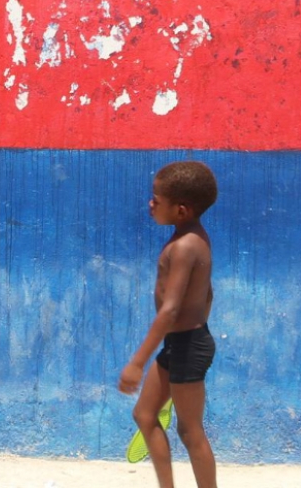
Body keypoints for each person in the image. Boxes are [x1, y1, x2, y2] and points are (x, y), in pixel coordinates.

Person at [118, 161, 218, 488]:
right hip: (181, 344)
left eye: (157, 199)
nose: (151, 203)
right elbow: (208, 294)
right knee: (145, 415)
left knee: (190, 431)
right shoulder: (187, 238)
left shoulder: (186, 245)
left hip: (188, 345)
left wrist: (137, 363)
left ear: (181, 210)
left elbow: (170, 310)